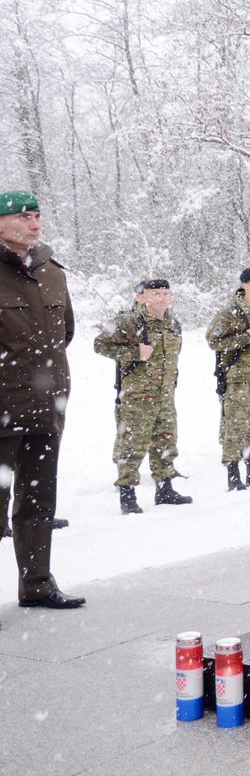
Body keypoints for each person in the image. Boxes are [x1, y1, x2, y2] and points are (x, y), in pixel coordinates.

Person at [0, 190, 86, 612]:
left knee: (38, 500)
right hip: (2, 408)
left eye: (37, 216)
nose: (35, 224)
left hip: (46, 406)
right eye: (24, 216)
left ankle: (36, 584)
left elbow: (65, 332)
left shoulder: (52, 271)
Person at [94, 279, 192, 514]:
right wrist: (134, 352)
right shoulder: (129, 321)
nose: (162, 297)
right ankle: (128, 495)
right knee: (133, 445)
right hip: (138, 397)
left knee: (166, 442)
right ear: (143, 296)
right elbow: (100, 344)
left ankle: (165, 488)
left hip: (165, 395)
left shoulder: (173, 323)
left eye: (166, 293)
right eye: (156, 293)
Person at [207, 266, 250, 491]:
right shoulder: (232, 311)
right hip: (238, 379)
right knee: (236, 427)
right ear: (245, 285)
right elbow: (212, 340)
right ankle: (233, 474)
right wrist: (244, 338)